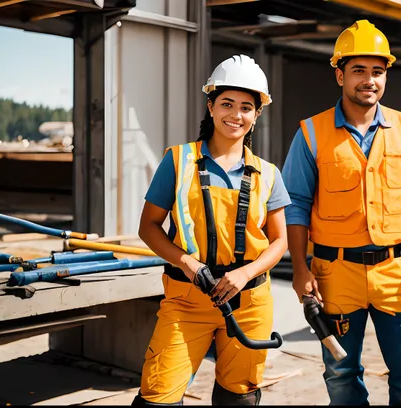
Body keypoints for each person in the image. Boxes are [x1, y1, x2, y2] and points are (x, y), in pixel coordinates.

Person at [282, 19, 401, 406]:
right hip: (335, 274)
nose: (369, 80)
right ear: (339, 75)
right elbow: (296, 205)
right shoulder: (311, 133)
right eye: (358, 71)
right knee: (341, 374)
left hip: (397, 271)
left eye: (377, 71)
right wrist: (300, 269)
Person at [132, 55, 291, 406]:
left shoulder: (269, 174)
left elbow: (280, 241)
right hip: (188, 299)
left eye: (246, 107)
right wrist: (188, 263)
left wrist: (244, 273)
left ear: (257, 115)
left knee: (240, 396)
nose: (236, 115)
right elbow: (148, 226)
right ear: (210, 105)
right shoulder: (178, 161)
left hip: (249, 301)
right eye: (227, 104)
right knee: (158, 394)